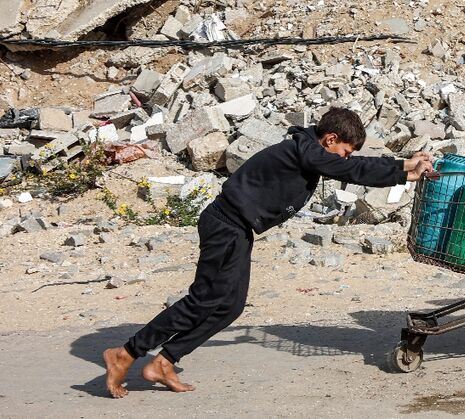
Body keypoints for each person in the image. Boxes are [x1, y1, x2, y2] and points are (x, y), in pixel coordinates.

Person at [102, 107, 434, 397]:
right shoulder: (304, 151)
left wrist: (404, 169)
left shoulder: (307, 152)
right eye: (344, 151)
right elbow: (349, 170)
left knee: (229, 307)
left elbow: (347, 166)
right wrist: (403, 166)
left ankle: (165, 361)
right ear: (330, 139)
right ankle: (127, 353)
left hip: (237, 229)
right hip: (225, 226)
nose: (344, 159)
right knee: (202, 301)